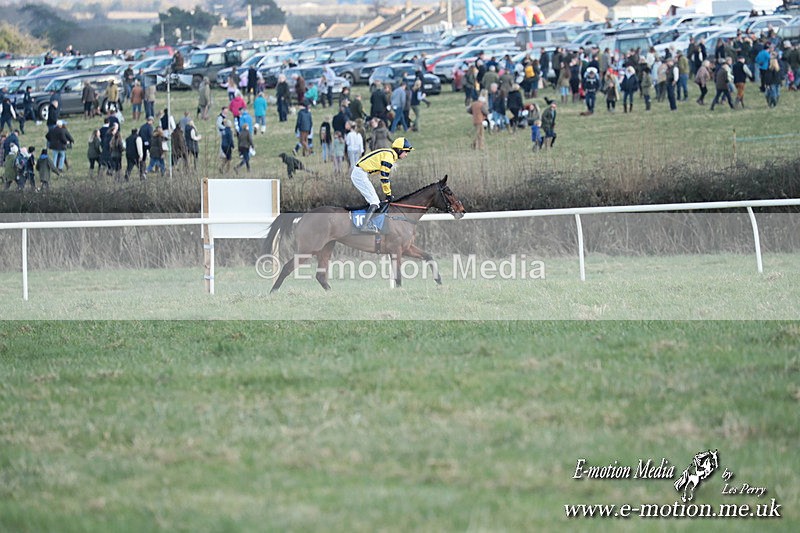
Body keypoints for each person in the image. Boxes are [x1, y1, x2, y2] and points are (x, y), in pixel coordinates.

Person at [350, 137, 414, 233]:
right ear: (399, 150)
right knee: (375, 202)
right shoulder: (389, 157)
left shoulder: (389, 154)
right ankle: (365, 226)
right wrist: (388, 194)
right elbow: (384, 177)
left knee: (375, 202)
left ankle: (368, 222)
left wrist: (388, 194)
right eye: (405, 151)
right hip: (359, 174)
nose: (406, 154)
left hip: (360, 173)